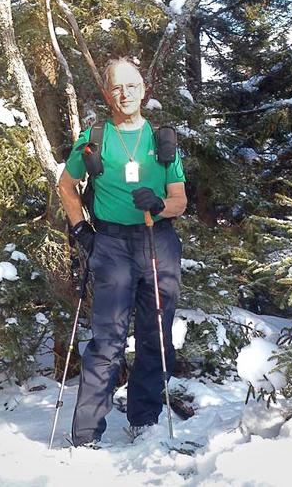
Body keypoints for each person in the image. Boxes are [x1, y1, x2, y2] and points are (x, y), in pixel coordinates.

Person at [58, 57, 187, 448]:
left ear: (144, 88)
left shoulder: (162, 139)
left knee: (156, 335)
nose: (124, 93)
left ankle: (144, 418)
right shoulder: (95, 138)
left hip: (157, 241)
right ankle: (84, 433)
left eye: (131, 85)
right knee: (108, 338)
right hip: (111, 243)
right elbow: (66, 186)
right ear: (106, 92)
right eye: (116, 86)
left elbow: (179, 199)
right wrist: (82, 229)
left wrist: (159, 204)